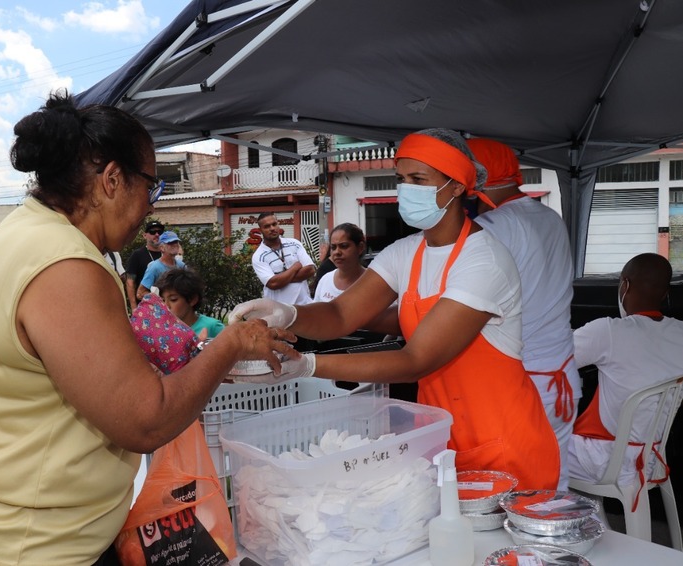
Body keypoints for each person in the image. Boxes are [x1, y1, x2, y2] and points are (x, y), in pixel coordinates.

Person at [0, 90, 297, 566]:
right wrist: (231, 343)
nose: (151, 206)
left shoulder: (17, 236)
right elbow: (145, 420)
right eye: (151, 187)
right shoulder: (66, 265)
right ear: (112, 180)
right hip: (32, 547)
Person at [231, 128, 560, 490]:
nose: (405, 189)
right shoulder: (406, 252)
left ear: (455, 187)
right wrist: (289, 314)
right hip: (441, 438)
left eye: (419, 179)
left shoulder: (484, 261)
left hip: (503, 446)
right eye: (401, 179)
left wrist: (306, 365)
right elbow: (341, 315)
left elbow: (415, 360)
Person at [468, 138, 580, 491]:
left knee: (513, 494)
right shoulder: (551, 218)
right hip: (562, 379)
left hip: (522, 385)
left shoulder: (494, 228)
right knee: (554, 486)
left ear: (477, 179)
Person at [568, 253, 683, 489]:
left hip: (606, 460)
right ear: (664, 293)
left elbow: (552, 360)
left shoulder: (608, 331)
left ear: (625, 285)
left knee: (529, 443)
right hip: (652, 458)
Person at [252, 212, 316, 306]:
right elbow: (273, 284)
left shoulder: (295, 244)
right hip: (279, 311)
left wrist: (281, 279)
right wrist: (295, 267)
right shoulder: (259, 256)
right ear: (260, 230)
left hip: (304, 306)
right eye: (267, 226)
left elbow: (310, 270)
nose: (272, 228)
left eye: (274, 224)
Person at [156, 267, 225, 339]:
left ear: (193, 299)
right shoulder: (161, 328)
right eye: (162, 300)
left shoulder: (214, 327)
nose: (166, 305)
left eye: (173, 299)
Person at [313, 223, 367, 303]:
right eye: (333, 247)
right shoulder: (325, 280)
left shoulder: (374, 282)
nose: (337, 252)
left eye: (344, 246)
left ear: (360, 248)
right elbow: (316, 312)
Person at [124, 220, 164, 310]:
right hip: (145, 307)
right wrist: (134, 307)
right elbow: (130, 282)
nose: (157, 234)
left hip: (166, 307)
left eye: (160, 232)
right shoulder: (137, 255)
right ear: (144, 235)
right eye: (152, 232)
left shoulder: (167, 254)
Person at [136, 230, 185, 299]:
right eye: (170, 243)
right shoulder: (154, 267)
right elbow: (140, 293)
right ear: (162, 248)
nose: (175, 245)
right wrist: (160, 300)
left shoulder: (182, 266)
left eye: (176, 242)